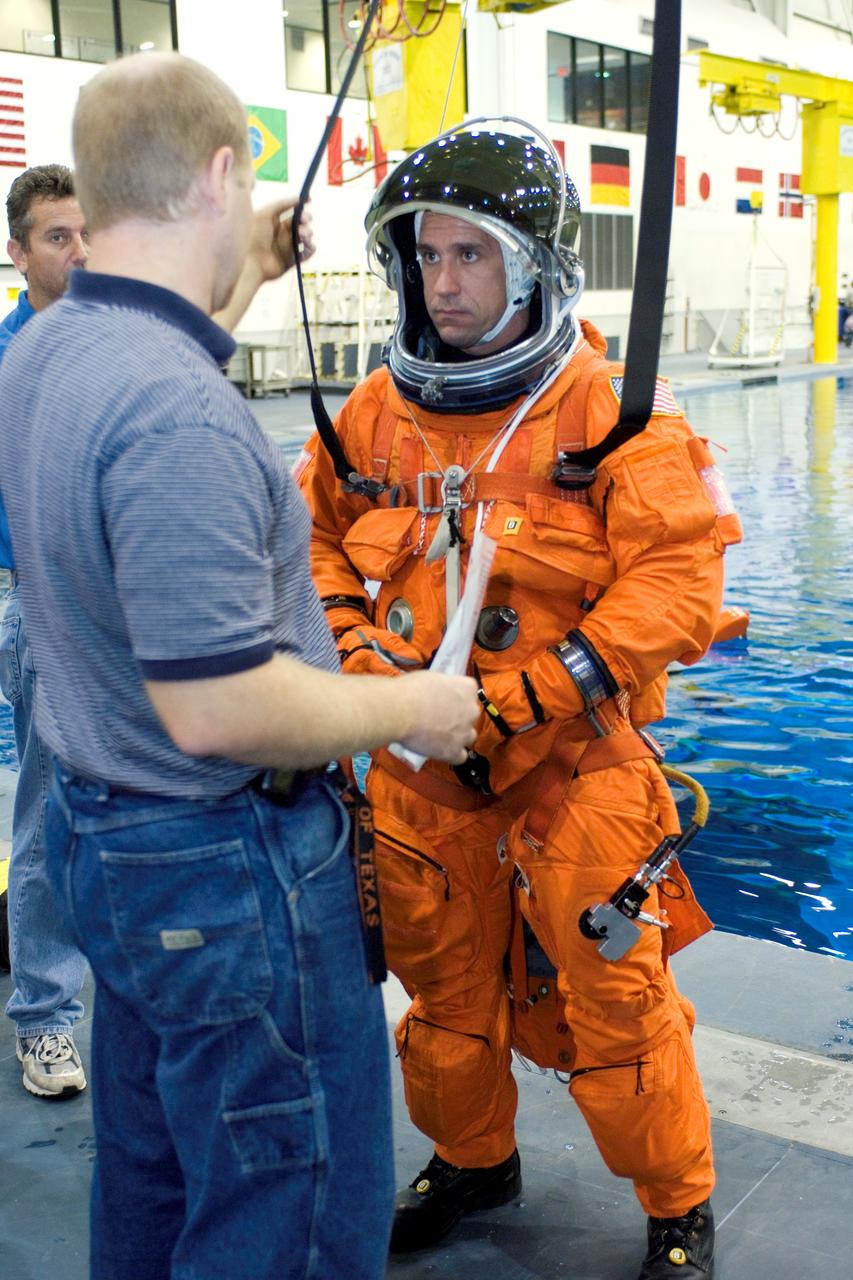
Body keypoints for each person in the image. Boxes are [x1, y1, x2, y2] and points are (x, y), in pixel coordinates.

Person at [0, 52, 479, 1280]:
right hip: (226, 876)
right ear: (219, 171)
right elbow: (219, 705)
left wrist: (246, 266)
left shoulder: (46, 350)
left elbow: (155, 346)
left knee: (157, 1179)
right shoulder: (177, 415)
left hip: (112, 849)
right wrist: (418, 703)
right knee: (292, 1205)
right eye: (245, 175)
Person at [299, 120, 743, 1280]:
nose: (443, 283)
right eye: (427, 256)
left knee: (617, 1005)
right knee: (441, 998)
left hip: (570, 770)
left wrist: (538, 692)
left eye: (471, 256)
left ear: (535, 262)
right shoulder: (376, 415)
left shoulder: (608, 410)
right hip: (421, 775)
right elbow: (313, 542)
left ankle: (677, 1205)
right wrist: (355, 654)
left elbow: (678, 578)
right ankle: (473, 1160)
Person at [0, 164, 90, 1097]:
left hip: (130, 604)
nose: (78, 252)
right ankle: (46, 1017)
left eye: (84, 233)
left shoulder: (115, 340)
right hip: (48, 605)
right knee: (51, 819)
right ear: (17, 252)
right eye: (56, 238)